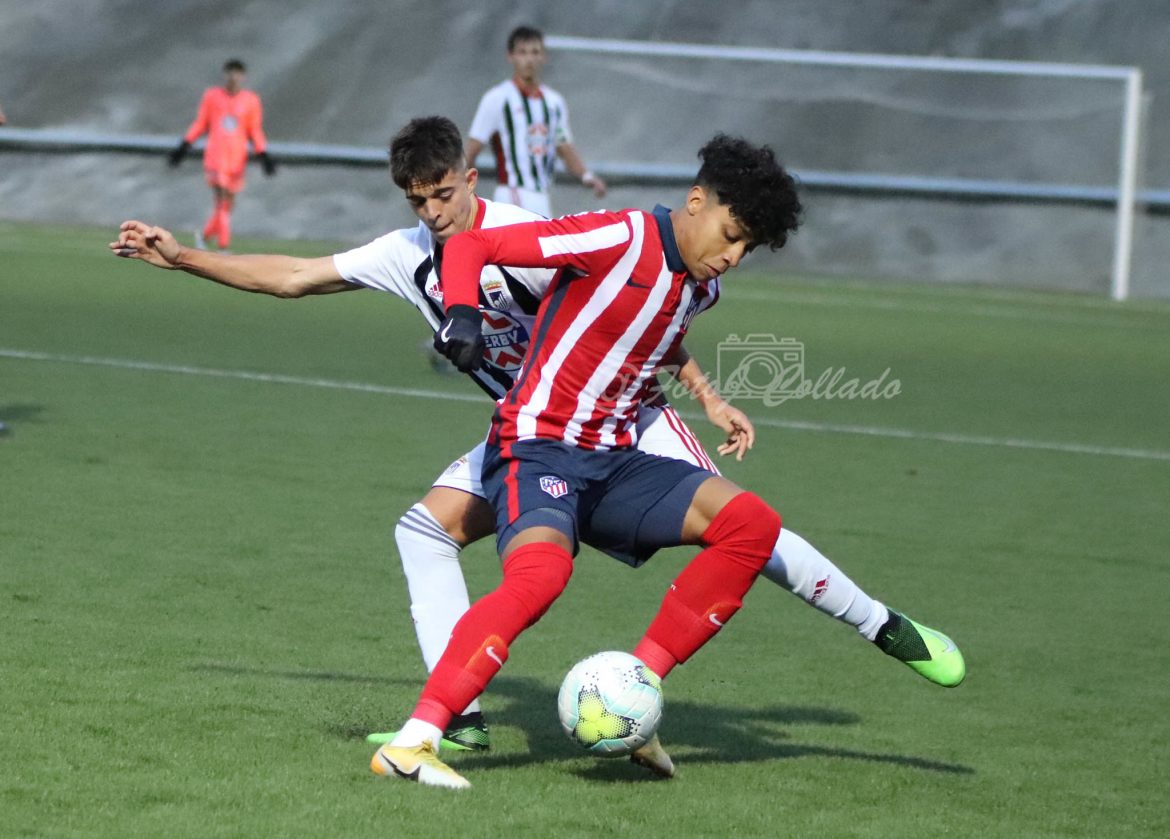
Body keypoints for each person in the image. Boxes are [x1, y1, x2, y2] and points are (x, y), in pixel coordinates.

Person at [368, 133, 964, 789]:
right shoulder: (618, 237)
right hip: (537, 445)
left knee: (752, 525)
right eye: (731, 234)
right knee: (538, 577)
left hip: (618, 459)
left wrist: (709, 396)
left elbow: (657, 332)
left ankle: (636, 688)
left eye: (747, 248)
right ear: (696, 200)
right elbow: (477, 244)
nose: (734, 256)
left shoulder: (699, 286)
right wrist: (460, 316)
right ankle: (415, 740)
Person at [465, 25, 606, 217]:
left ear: (543, 57)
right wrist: (462, 192)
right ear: (511, 56)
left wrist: (586, 175)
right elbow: (472, 149)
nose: (529, 59)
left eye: (535, 52)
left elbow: (564, 146)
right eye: (522, 52)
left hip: (542, 195)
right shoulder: (498, 99)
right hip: (512, 193)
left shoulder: (554, 103)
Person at [167, 58, 277, 251]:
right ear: (225, 74)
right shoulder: (212, 96)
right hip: (216, 158)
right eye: (230, 72)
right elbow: (201, 123)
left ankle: (204, 236)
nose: (233, 77)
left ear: (243, 76)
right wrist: (184, 146)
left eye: (237, 73)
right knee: (222, 199)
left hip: (236, 160)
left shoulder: (251, 100)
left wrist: (263, 155)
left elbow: (254, 130)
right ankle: (223, 246)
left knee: (228, 204)